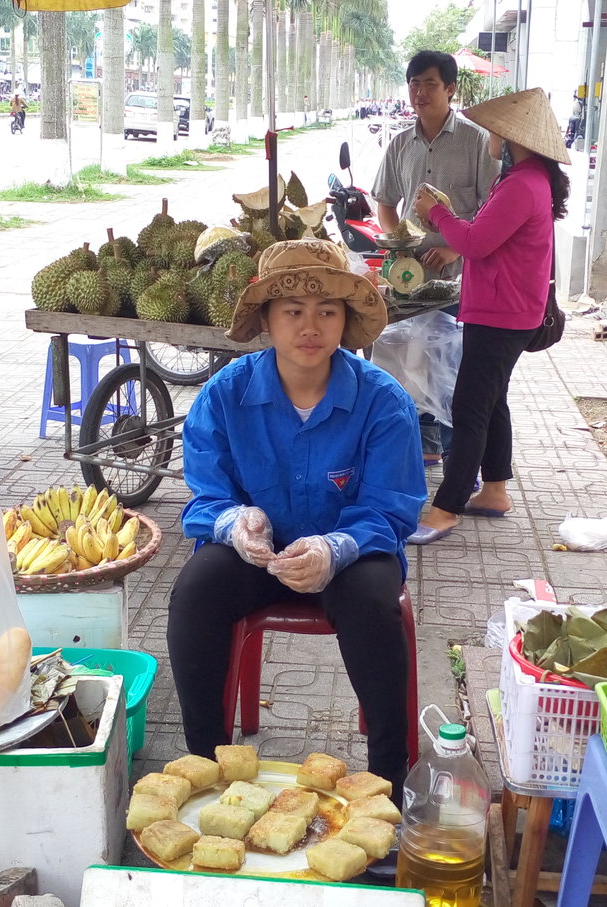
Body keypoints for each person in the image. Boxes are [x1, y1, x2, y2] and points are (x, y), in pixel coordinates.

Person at [167, 239, 427, 803]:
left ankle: (387, 778)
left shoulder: (383, 402)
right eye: (293, 312)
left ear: (345, 321)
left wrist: (335, 547)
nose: (310, 327)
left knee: (372, 600)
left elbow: (392, 507)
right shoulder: (225, 394)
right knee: (196, 588)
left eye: (327, 312)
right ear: (266, 319)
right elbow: (206, 494)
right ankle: (207, 768)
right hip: (259, 556)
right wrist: (236, 521)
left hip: (351, 555)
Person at [407, 88, 571, 545]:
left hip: (503, 313)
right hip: (509, 308)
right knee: (492, 400)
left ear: (511, 135)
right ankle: (495, 490)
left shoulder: (522, 183)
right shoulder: (527, 178)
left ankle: (446, 507)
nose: (489, 138)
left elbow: (475, 243)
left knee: (470, 406)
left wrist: (435, 212)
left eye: (494, 131)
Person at [371, 50, 500, 469]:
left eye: (428, 83)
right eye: (413, 83)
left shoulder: (476, 141)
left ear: (450, 88)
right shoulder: (399, 142)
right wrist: (398, 241)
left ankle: (458, 453)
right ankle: (423, 445)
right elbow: (386, 203)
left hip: (462, 276)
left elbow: (492, 207)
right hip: (410, 275)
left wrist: (454, 246)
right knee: (409, 360)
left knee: (455, 364)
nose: (419, 92)